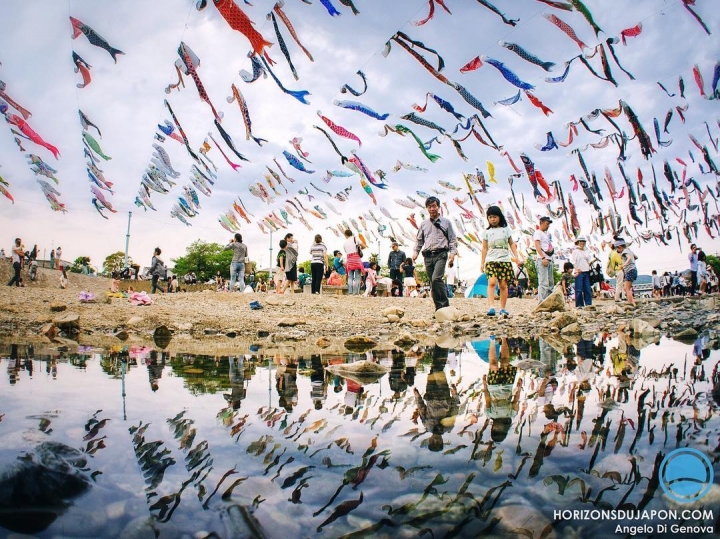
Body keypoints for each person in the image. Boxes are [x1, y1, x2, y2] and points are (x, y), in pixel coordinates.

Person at [412, 196, 457, 311]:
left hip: (441, 254)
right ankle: (439, 308)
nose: (432, 209)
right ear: (427, 208)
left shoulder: (446, 222)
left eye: (434, 206)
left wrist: (452, 253)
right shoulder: (423, 224)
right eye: (429, 206)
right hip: (427, 256)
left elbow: (452, 239)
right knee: (433, 282)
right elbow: (419, 240)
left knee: (437, 278)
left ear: (438, 207)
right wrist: (415, 252)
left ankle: (445, 305)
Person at [413, 345, 459, 452]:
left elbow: (422, 408)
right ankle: (443, 346)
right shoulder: (448, 427)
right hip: (443, 393)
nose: (435, 440)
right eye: (438, 442)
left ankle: (441, 346)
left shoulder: (427, 425)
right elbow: (455, 409)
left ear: (429, 440)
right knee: (438, 370)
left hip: (430, 392)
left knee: (433, 369)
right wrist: (455, 394)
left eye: (432, 442)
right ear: (442, 441)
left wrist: (417, 396)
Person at [480, 205, 521, 317]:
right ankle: (491, 306)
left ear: (499, 217)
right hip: (491, 259)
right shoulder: (486, 232)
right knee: (492, 282)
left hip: (504, 259)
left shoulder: (506, 230)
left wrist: (516, 257)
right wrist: (482, 263)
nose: (492, 219)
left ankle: (503, 308)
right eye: (490, 217)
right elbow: (484, 248)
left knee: (503, 285)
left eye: (495, 217)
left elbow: (511, 243)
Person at [533, 216, 554, 301]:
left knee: (550, 283)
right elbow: (537, 245)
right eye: (546, 223)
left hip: (549, 258)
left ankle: (549, 301)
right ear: (541, 222)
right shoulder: (538, 232)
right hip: (542, 259)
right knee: (543, 283)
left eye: (549, 224)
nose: (548, 225)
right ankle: (542, 302)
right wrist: (543, 257)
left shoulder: (546, 235)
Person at [570, 236, 592, 308]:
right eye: (581, 241)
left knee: (587, 289)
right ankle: (579, 304)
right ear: (578, 242)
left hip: (586, 271)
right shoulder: (575, 251)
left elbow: (589, 261)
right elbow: (573, 262)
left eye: (583, 241)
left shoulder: (586, 251)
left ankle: (588, 304)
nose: (582, 243)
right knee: (579, 289)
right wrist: (577, 269)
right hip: (579, 272)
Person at [614, 239, 637, 306]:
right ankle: (632, 301)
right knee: (627, 287)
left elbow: (629, 258)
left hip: (630, 270)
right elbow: (636, 257)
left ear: (619, 247)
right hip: (633, 270)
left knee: (627, 288)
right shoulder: (629, 251)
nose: (618, 251)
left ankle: (630, 302)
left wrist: (624, 264)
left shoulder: (624, 252)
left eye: (617, 249)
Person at [343, 229, 365, 295]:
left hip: (349, 260)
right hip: (356, 259)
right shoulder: (355, 238)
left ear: (345, 235)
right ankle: (356, 293)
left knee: (350, 277)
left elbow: (346, 252)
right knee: (357, 277)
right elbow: (363, 246)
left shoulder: (345, 243)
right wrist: (360, 248)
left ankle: (350, 292)